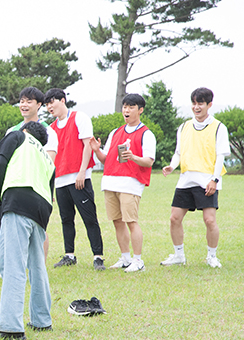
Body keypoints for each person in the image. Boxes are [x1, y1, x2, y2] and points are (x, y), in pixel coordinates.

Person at [0, 122, 55, 340]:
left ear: (26, 130)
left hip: (18, 199)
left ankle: (10, 328)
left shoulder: (18, 136)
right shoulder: (46, 157)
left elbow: (0, 164)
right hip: (42, 208)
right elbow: (50, 191)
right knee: (37, 265)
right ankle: (42, 320)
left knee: (12, 264)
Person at [0, 86, 57, 279]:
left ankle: (38, 268)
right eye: (22, 100)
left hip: (37, 188)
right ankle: (5, 267)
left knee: (38, 228)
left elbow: (48, 162)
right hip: (13, 186)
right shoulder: (12, 130)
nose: (24, 105)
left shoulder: (48, 133)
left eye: (29, 101)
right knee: (7, 223)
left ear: (39, 105)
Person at [161, 87, 230, 269]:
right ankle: (178, 255)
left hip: (207, 180)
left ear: (209, 105)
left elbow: (221, 156)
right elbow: (178, 153)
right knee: (174, 218)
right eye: (194, 103)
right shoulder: (184, 126)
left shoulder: (219, 127)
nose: (196, 107)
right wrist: (172, 166)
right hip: (186, 180)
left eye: (200, 103)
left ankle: (212, 256)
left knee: (209, 220)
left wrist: (214, 180)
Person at [89, 93, 156, 273]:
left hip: (130, 184)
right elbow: (107, 159)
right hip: (111, 182)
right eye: (124, 106)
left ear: (140, 110)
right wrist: (96, 150)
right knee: (117, 221)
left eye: (131, 107)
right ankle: (125, 258)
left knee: (131, 221)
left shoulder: (146, 134)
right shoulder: (115, 132)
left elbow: (149, 161)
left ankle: (138, 260)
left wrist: (133, 157)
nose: (126, 110)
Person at [44, 88, 105, 271]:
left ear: (62, 100)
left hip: (79, 177)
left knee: (89, 218)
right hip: (61, 180)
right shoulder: (51, 128)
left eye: (52, 102)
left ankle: (98, 257)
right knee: (66, 219)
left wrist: (81, 172)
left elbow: (88, 145)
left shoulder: (80, 118)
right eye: (46, 104)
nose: (49, 107)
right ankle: (69, 255)